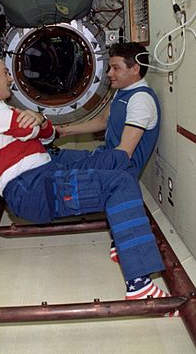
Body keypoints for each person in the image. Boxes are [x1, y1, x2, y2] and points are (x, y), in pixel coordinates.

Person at [0, 56, 170, 303]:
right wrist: (35, 122)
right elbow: (26, 129)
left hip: (46, 169)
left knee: (119, 161)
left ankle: (124, 238)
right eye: (5, 72)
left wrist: (39, 120)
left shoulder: (2, 108)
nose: (11, 79)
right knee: (121, 183)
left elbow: (47, 134)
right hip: (30, 188)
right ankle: (139, 285)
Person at [54, 42, 160, 263]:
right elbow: (103, 121)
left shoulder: (140, 100)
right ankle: (118, 236)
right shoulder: (123, 92)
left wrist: (88, 165)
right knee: (57, 157)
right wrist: (65, 131)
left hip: (120, 167)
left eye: (115, 68)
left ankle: (123, 238)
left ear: (135, 69)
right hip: (108, 156)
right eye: (109, 68)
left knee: (61, 170)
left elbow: (124, 153)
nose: (109, 73)